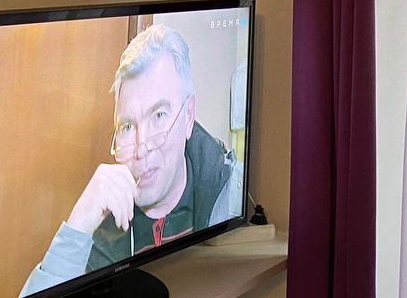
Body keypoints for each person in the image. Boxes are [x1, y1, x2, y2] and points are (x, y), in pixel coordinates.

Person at [20, 24, 242, 297]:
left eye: (158, 115)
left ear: (187, 117)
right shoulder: (99, 238)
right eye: (127, 126)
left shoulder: (232, 194)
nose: (141, 149)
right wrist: (78, 225)